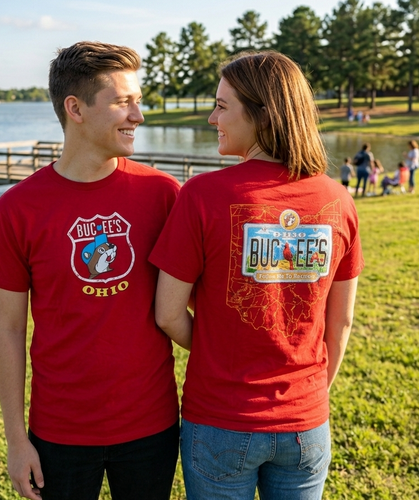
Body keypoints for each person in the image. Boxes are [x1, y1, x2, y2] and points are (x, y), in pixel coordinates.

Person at [149, 51, 364, 500]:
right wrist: (308, 397)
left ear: (261, 114)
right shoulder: (338, 199)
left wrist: (220, 347)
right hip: (307, 421)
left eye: (222, 106)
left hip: (221, 421)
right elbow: (339, 323)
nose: (212, 118)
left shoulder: (202, 196)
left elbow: (168, 314)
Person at [0, 41, 180, 500]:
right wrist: (15, 439)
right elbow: (7, 328)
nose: (138, 116)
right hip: (59, 431)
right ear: (76, 109)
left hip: (152, 425)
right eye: (123, 102)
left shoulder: (164, 195)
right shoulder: (17, 208)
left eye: (138, 101)